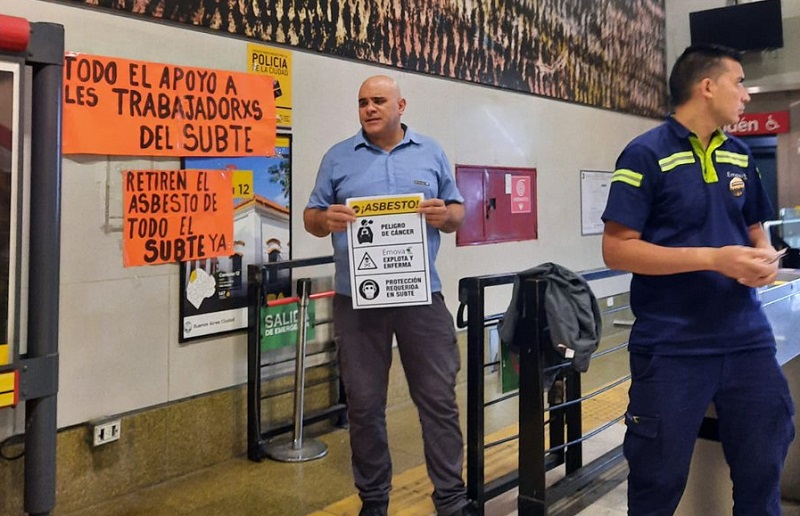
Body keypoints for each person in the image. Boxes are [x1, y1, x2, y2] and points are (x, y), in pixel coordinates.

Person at [601, 44, 795, 515]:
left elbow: (755, 232)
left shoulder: (740, 155)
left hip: (746, 340)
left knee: (763, 465)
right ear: (707, 86)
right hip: (672, 345)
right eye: (739, 82)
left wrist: (764, 258)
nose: (746, 94)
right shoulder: (644, 155)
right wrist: (713, 259)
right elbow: (616, 249)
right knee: (658, 478)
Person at [304, 75, 474, 516]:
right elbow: (310, 216)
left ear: (402, 105)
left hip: (421, 296)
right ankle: (374, 502)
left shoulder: (431, 152)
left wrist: (446, 215)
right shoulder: (338, 158)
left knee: (438, 399)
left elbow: (458, 211)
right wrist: (326, 220)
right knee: (363, 405)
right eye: (362, 102)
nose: (370, 108)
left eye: (379, 101)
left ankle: (451, 500)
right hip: (356, 301)